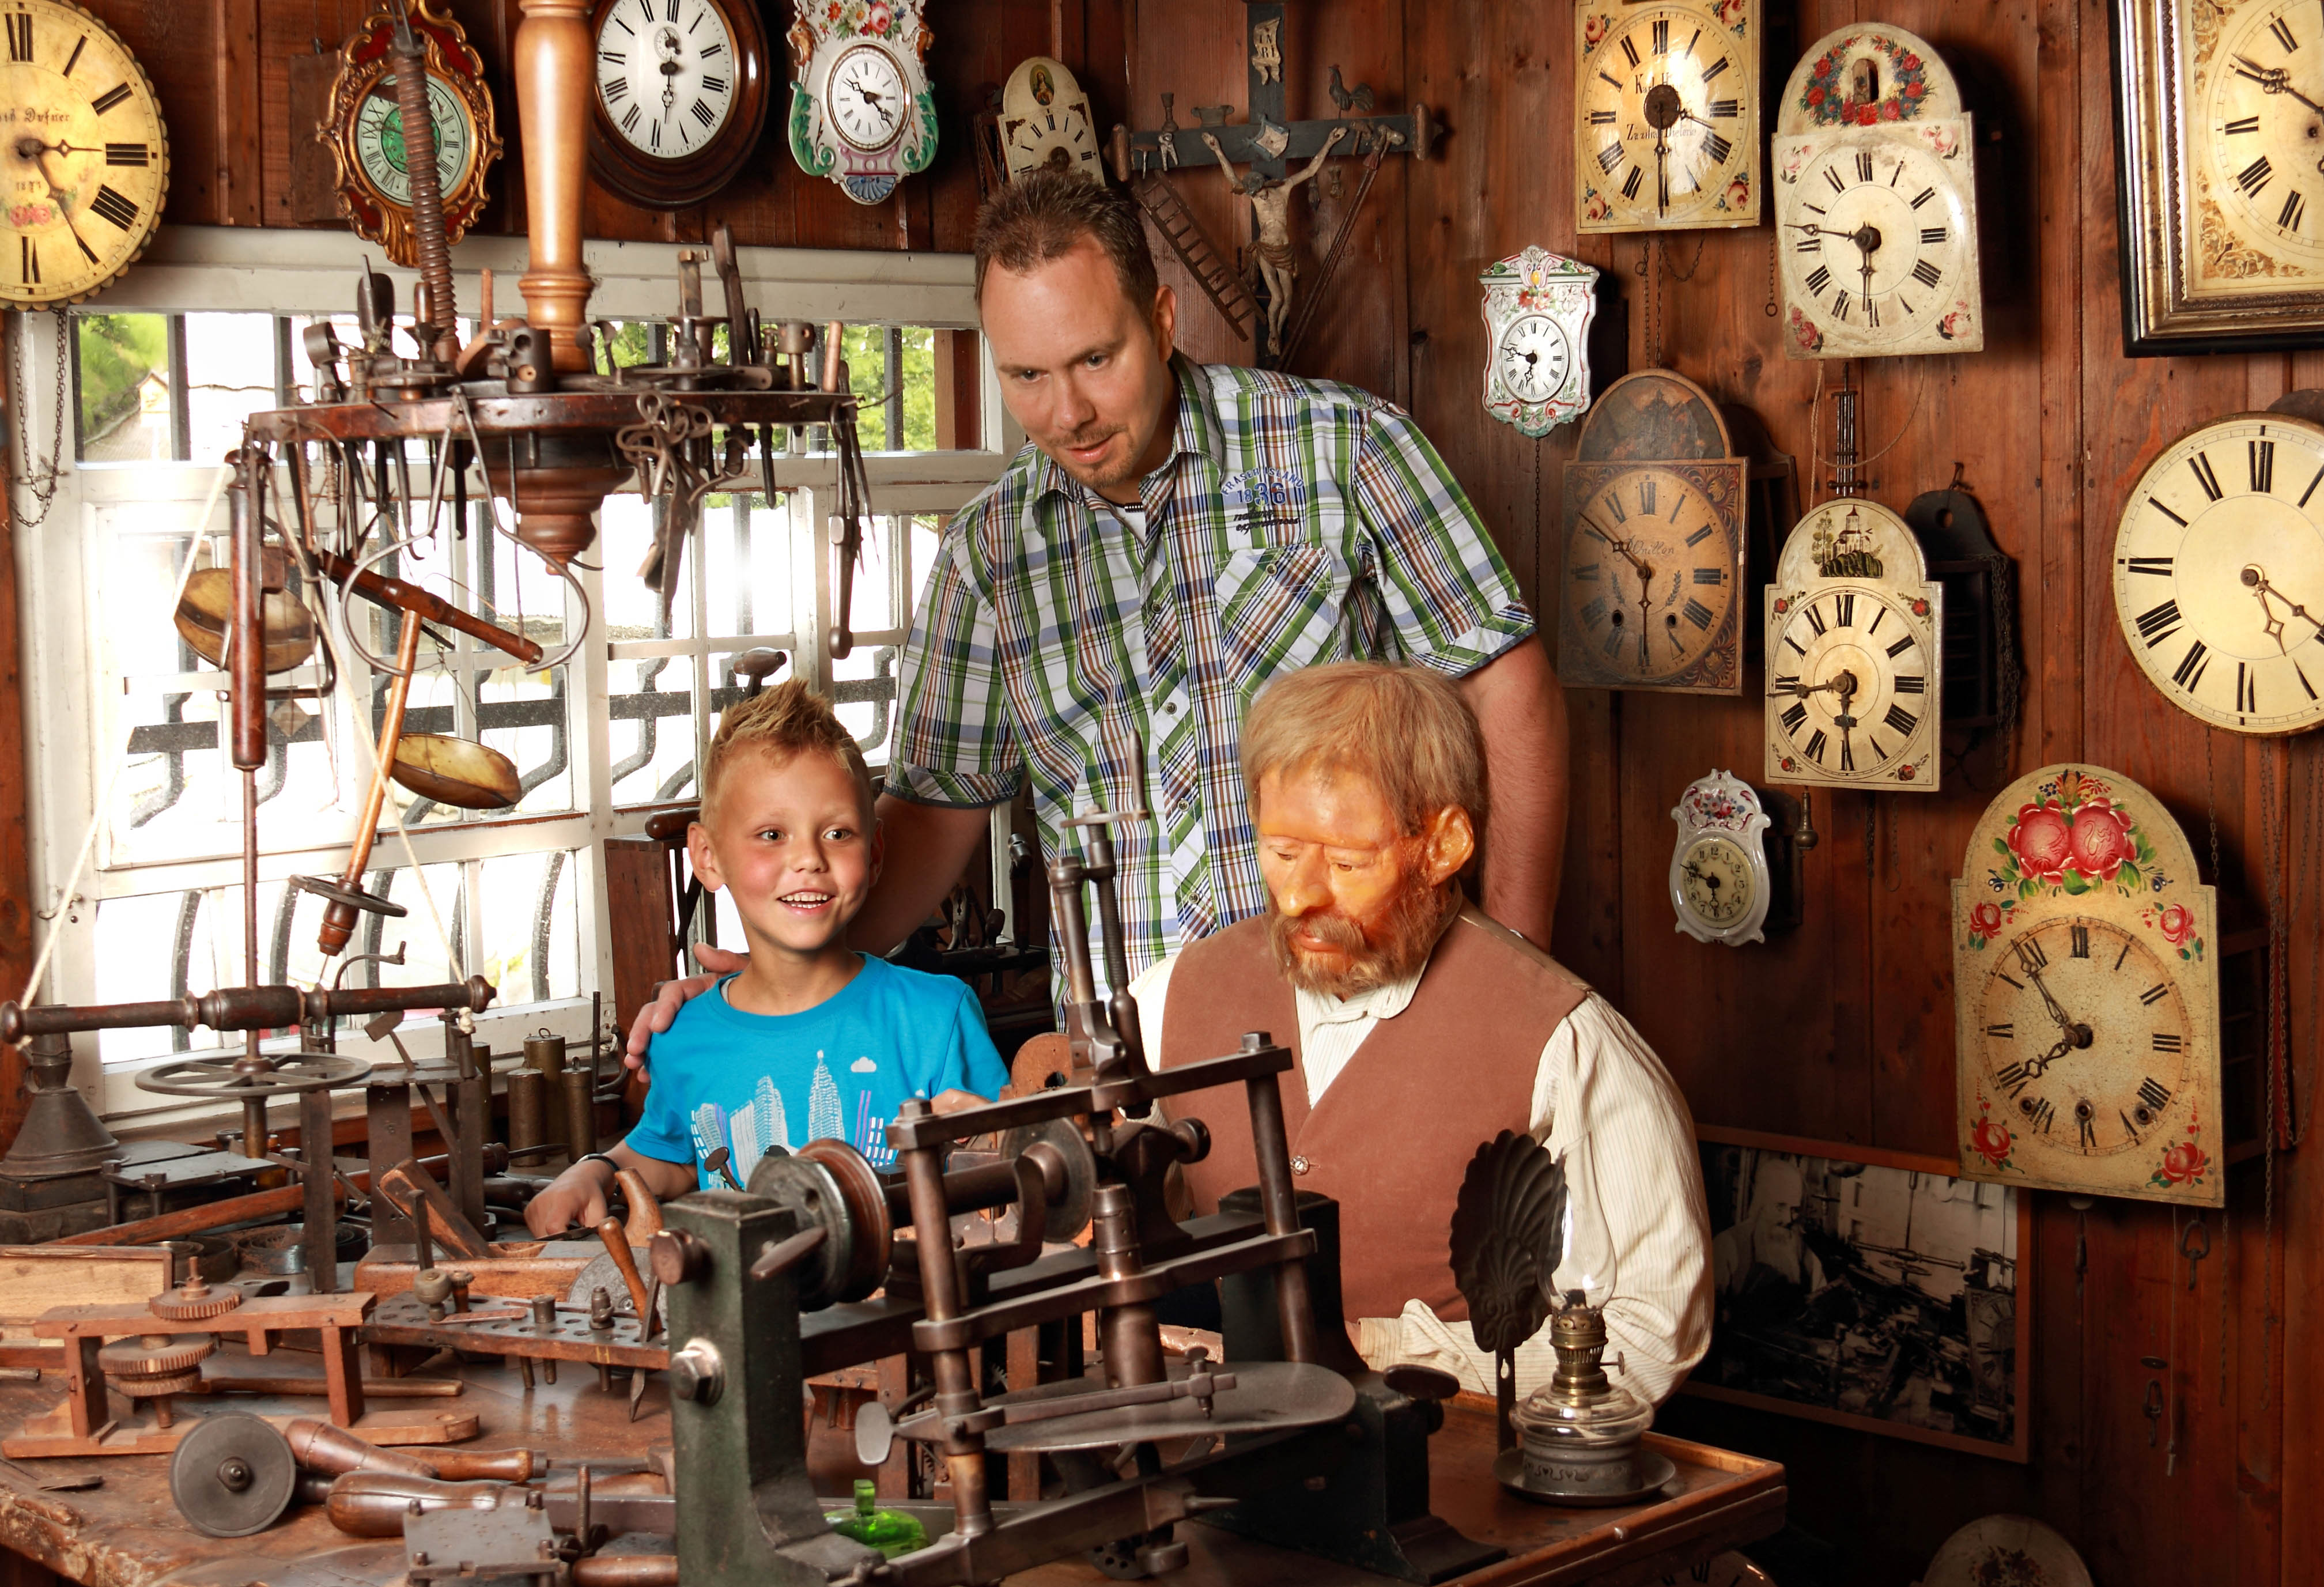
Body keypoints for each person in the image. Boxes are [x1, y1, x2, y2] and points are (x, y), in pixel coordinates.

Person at [628, 169, 1566, 1060]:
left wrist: (1510, 978)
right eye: (1026, 375)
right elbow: (930, 817)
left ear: (1160, 322)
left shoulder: (1345, 450)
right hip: (1131, 1072)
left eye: (1094, 359)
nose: (1067, 411)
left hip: (1367, 1027)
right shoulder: (988, 554)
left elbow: (1509, 693)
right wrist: (774, 978)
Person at [1136, 662, 1711, 1406]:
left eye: (1348, 861)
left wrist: (1376, 1352)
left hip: (1447, 1478)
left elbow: (1651, 1330)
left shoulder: (1565, 1041)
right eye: (1281, 852)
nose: (1302, 894)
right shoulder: (1173, 994)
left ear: (1442, 844)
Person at [527, 683, 1008, 1236]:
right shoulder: (684, 1038)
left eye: (837, 833)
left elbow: (999, 1161)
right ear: (708, 857)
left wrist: (984, 1138)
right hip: (753, 1313)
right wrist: (594, 1172)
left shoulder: (935, 1016)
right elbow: (677, 1158)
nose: (808, 859)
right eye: (772, 835)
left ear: (874, 856)